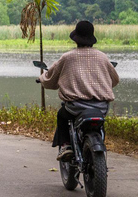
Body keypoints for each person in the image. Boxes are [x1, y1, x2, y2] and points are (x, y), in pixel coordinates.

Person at [39, 20, 119, 161]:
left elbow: (51, 80)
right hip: (101, 107)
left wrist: (42, 78)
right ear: (92, 39)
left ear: (76, 39)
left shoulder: (67, 57)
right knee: (100, 124)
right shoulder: (102, 57)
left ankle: (65, 146)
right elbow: (115, 80)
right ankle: (99, 141)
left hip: (76, 107)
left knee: (62, 115)